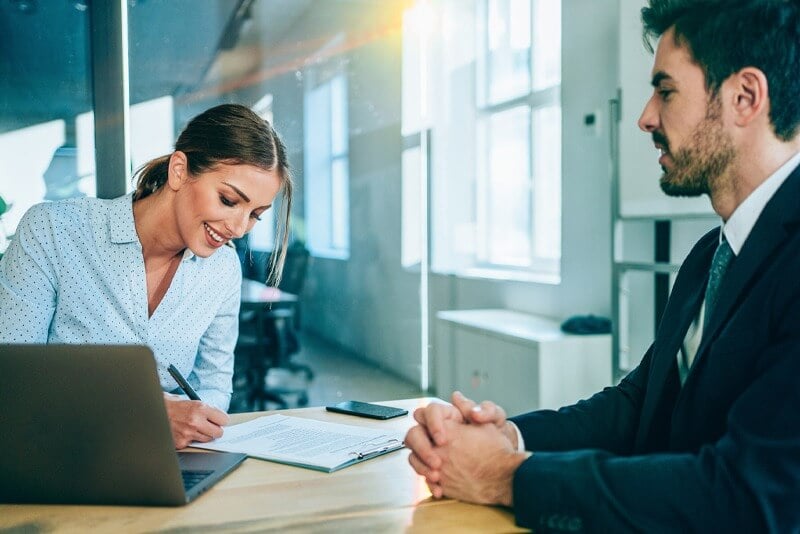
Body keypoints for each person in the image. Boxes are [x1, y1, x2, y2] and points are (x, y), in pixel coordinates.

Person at [405, 0, 800, 531]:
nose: (645, 117)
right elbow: (641, 406)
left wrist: (505, 476)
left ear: (744, 97)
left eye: (665, 90)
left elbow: (748, 497)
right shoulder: (713, 253)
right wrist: (509, 439)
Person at [0, 103, 293, 449]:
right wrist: (144, 416)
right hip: (59, 454)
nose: (239, 228)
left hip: (170, 460)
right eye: (229, 200)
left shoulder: (223, 269)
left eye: (255, 214)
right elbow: (12, 381)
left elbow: (213, 385)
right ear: (180, 171)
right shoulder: (53, 230)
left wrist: (196, 422)